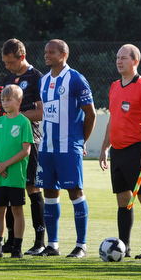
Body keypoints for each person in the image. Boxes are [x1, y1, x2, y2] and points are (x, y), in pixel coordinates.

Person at [37, 40, 97, 257]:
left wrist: (82, 142)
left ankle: (81, 245)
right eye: (45, 52)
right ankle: (52, 245)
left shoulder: (76, 79)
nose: (47, 55)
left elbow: (91, 114)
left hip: (68, 146)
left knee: (75, 192)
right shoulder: (43, 81)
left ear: (64, 54)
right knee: (50, 193)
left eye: (51, 52)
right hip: (46, 147)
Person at [102, 44, 141, 258]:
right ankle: (123, 247)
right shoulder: (115, 86)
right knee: (122, 200)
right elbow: (112, 118)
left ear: (135, 61)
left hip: (137, 150)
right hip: (117, 151)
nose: (119, 61)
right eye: (118, 57)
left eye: (124, 58)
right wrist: (104, 147)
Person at [0, 39, 47, 254]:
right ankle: (10, 239)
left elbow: (42, 112)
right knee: (7, 190)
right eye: (4, 62)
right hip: (7, 142)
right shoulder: (8, 78)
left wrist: (17, 117)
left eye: (11, 62)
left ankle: (39, 240)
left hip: (29, 138)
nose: (7, 66)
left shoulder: (36, 78)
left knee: (31, 186)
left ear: (22, 57)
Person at [0, 83, 33, 258]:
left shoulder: (24, 122)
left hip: (14, 176)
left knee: (17, 210)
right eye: (3, 99)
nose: (5, 102)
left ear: (19, 101)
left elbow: (26, 150)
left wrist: (4, 164)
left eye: (9, 99)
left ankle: (17, 248)